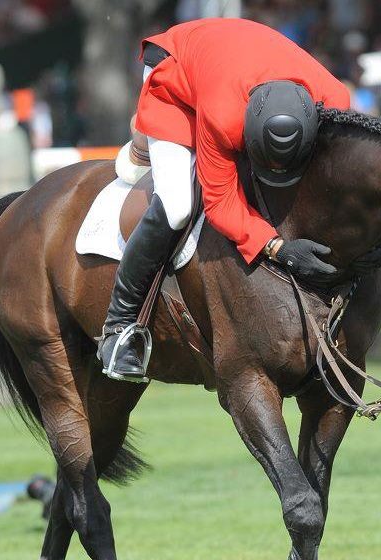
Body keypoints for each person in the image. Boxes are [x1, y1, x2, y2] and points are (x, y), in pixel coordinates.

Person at [97, 17, 350, 382]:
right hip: (175, 68)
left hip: (229, 61)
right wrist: (278, 248)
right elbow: (221, 203)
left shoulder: (335, 100)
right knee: (178, 204)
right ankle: (119, 328)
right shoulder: (223, 115)